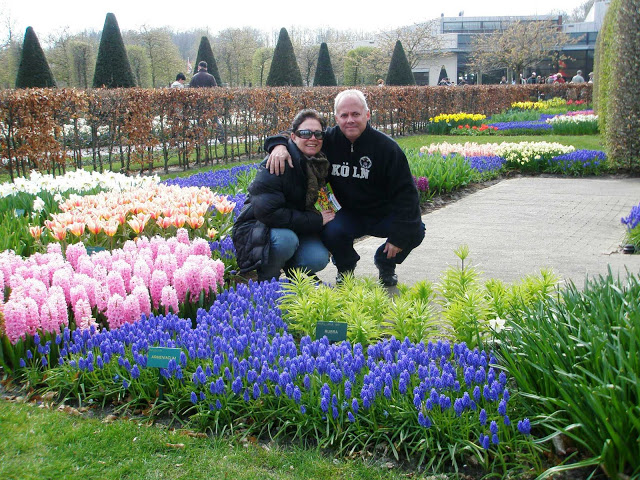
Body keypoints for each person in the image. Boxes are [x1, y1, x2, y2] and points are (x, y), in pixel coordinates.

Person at [265, 90, 425, 286]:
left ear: (367, 115)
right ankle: (345, 268)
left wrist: (399, 237)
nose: (350, 120)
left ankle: (386, 263)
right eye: (344, 115)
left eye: (356, 114)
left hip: (381, 213)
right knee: (331, 229)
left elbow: (407, 196)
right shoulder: (328, 140)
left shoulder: (387, 149)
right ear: (336, 118)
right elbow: (296, 134)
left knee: (414, 230)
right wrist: (278, 146)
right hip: (345, 214)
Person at [232, 109, 333, 282]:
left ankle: (295, 275)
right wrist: (315, 220)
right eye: (305, 133)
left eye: (317, 134)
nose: (313, 138)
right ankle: (267, 278)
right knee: (286, 240)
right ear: (293, 137)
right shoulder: (278, 162)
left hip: (297, 226)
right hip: (262, 227)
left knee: (318, 258)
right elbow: (268, 213)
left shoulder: (319, 162)